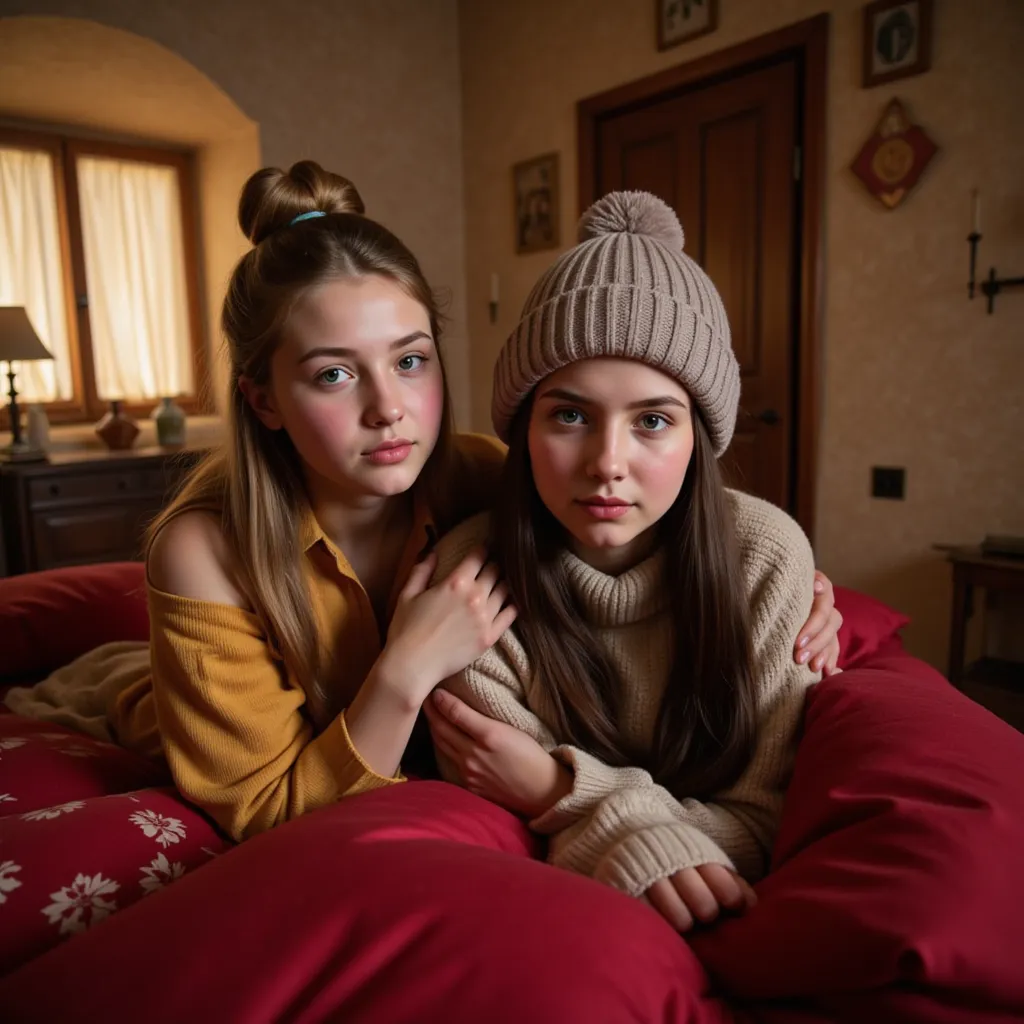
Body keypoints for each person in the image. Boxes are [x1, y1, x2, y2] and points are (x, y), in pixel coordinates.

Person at [5, 167, 841, 847]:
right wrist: (402, 669)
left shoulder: (483, 474)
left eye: (410, 361)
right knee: (100, 676)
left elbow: (647, 523)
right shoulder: (204, 548)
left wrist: (798, 588)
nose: (389, 409)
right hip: (197, 730)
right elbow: (262, 813)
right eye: (334, 374)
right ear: (262, 400)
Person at [424, 191, 828, 933]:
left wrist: (557, 790)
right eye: (570, 415)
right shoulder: (468, 581)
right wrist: (630, 825)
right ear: (524, 425)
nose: (607, 464)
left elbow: (765, 821)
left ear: (699, 438)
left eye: (652, 421)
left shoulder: (765, 557)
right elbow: (493, 805)